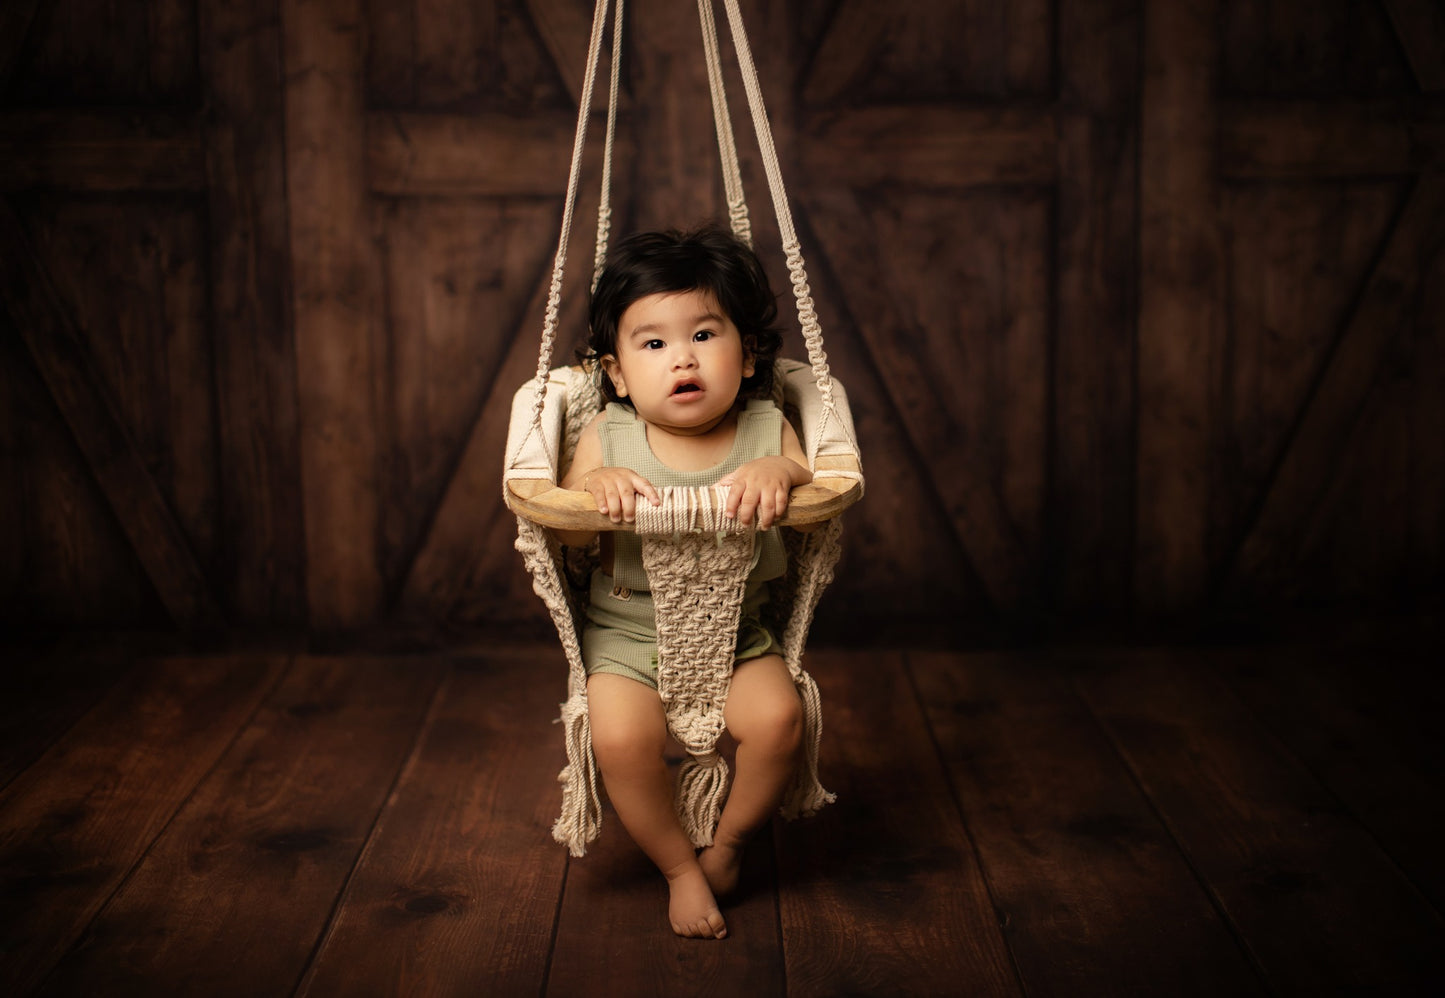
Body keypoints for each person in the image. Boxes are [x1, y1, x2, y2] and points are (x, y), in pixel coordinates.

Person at [554, 225, 814, 940]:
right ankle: (677, 867)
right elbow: (569, 527)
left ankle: (726, 845)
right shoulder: (607, 433)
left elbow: (806, 473)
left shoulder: (766, 426)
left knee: (778, 722)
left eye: (704, 333)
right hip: (625, 635)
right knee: (618, 740)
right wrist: (593, 488)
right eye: (654, 343)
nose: (683, 359)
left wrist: (780, 472)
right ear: (615, 372)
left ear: (750, 352)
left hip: (740, 631)